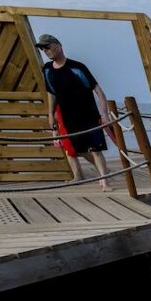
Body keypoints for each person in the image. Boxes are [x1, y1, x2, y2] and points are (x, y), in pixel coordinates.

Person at [37, 34, 112, 190]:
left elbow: (99, 91)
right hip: (69, 117)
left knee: (96, 149)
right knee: (79, 149)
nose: (46, 50)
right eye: (43, 48)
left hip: (89, 114)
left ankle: (105, 182)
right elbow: (51, 93)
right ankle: (100, 173)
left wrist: (104, 114)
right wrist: (51, 115)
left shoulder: (77, 67)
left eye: (48, 46)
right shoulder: (47, 69)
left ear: (59, 45)